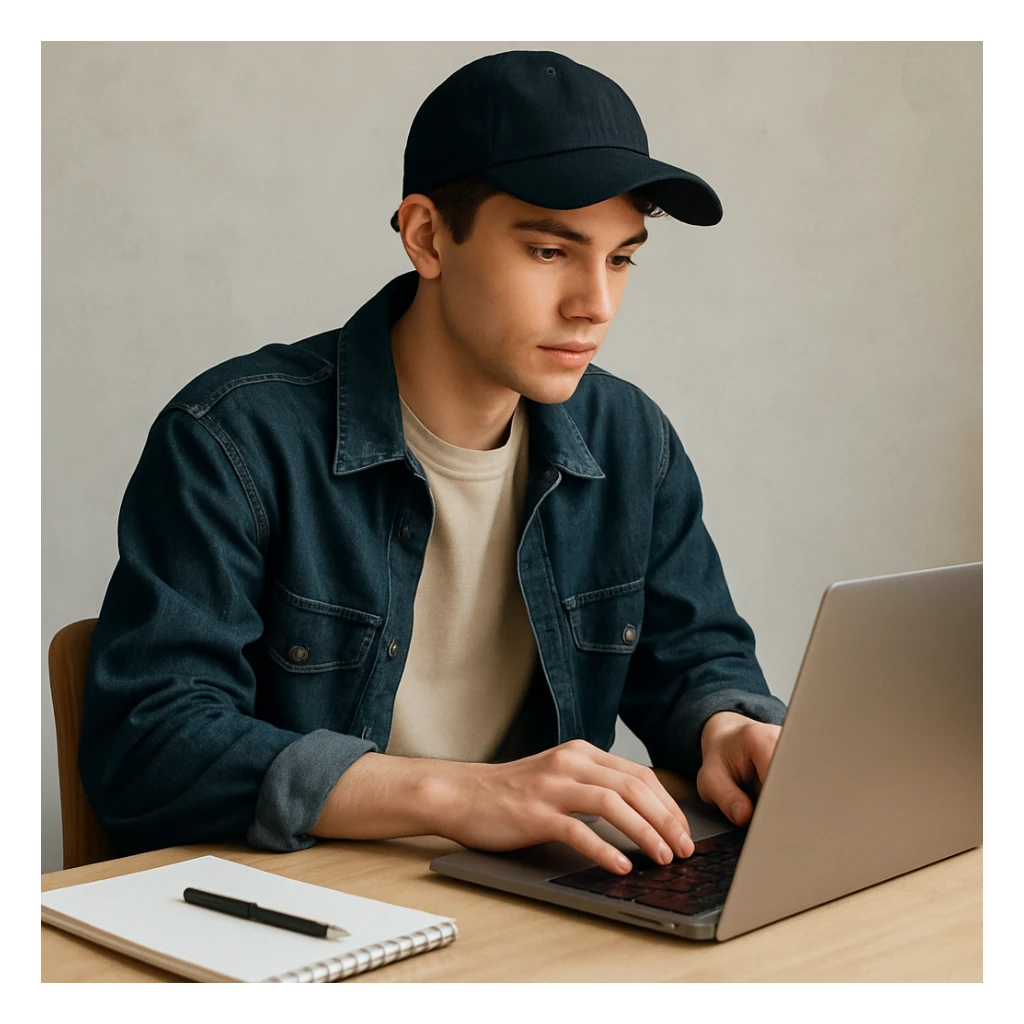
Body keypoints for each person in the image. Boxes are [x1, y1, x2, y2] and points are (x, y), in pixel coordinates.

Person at [78, 49, 788, 877]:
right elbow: (152, 745)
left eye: (621, 258)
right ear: (427, 237)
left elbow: (696, 659)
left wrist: (724, 724)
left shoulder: (631, 440)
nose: (595, 303)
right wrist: (459, 796)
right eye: (551, 252)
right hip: (303, 918)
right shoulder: (234, 438)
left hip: (531, 912)